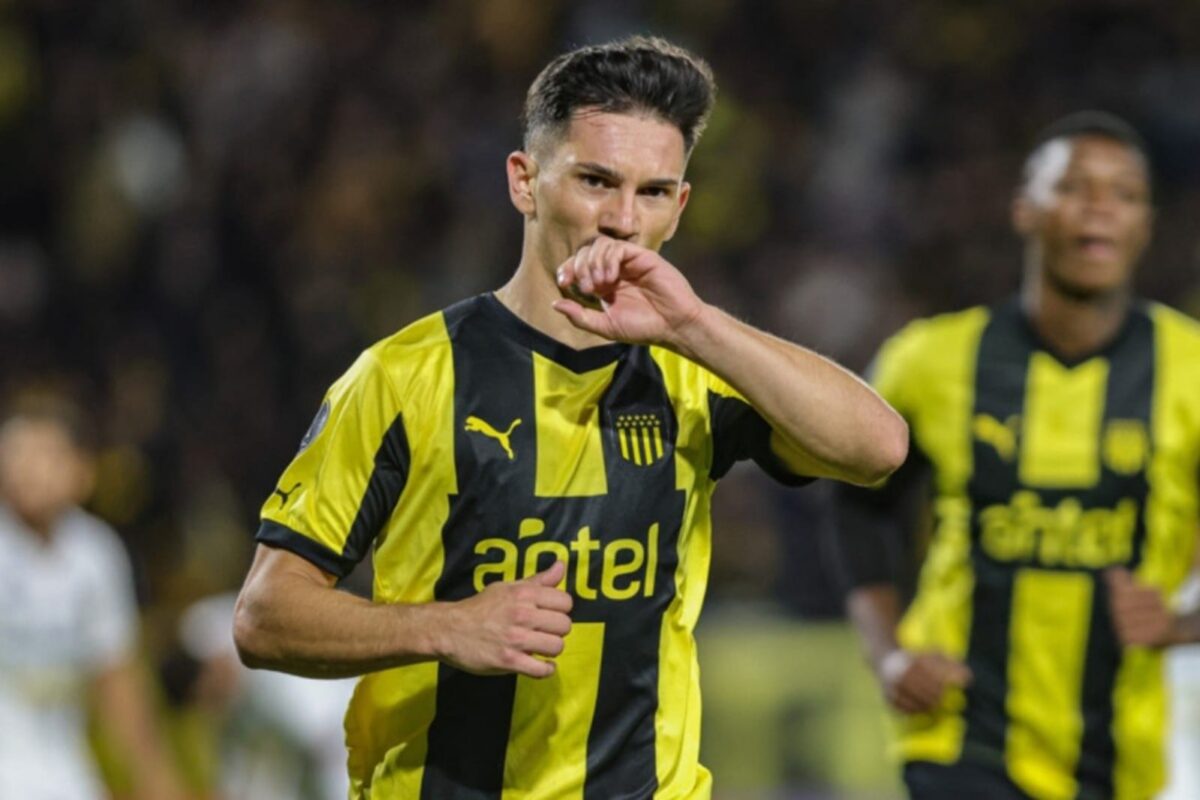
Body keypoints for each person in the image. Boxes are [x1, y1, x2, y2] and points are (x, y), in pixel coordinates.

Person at [233, 34, 908, 799]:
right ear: (525, 181)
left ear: (680, 208)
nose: (622, 219)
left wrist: (694, 324)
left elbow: (879, 447)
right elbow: (265, 617)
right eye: (595, 181)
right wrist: (445, 626)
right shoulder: (405, 376)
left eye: (653, 192)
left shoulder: (697, 369)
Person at [831, 111, 1200, 800]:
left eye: (1123, 193)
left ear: (1146, 224)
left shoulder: (1190, 369)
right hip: (959, 733)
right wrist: (889, 656)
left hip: (1120, 754)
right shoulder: (930, 359)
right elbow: (856, 505)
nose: (1099, 207)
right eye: (1075, 187)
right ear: (1024, 208)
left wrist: (1184, 624)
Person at [0, 390, 187, 800]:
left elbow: (116, 678)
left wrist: (156, 780)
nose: (27, 469)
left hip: (62, 766)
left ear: (81, 472)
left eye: (45, 455)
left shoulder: (95, 554)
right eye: (16, 455)